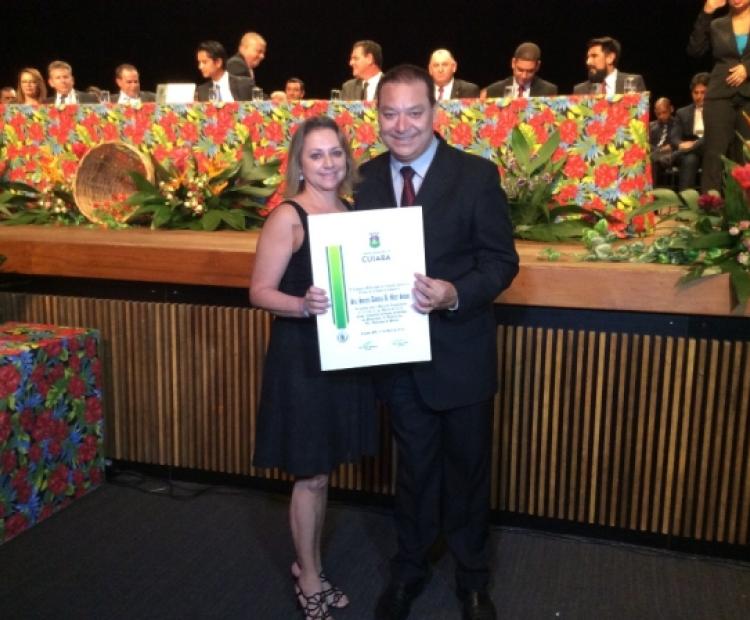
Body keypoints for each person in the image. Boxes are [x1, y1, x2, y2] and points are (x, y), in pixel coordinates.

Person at [355, 65, 519, 620]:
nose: (401, 125)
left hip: (461, 353)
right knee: (413, 471)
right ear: (377, 116)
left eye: (414, 112)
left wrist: (455, 293)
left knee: (468, 472)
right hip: (395, 356)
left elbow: (501, 262)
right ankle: (409, 568)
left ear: (434, 112)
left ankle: (473, 579)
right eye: (390, 113)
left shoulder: (476, 176)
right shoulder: (365, 179)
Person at [250, 116, 377, 620]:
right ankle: (308, 576)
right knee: (312, 475)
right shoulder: (288, 216)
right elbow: (259, 292)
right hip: (302, 358)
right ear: (299, 164)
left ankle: (310, 565)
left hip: (343, 355)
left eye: (335, 153)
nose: (328, 163)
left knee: (323, 473)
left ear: (347, 159)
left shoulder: (350, 211)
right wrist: (302, 305)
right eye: (316, 154)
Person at [688, 0, 750, 193]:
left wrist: (747, 68)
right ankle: (710, 206)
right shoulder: (717, 24)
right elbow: (695, 49)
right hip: (719, 95)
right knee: (714, 156)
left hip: (748, 96)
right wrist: (707, 12)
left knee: (746, 157)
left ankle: (743, 209)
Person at [572, 36, 646, 95]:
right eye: (588, 57)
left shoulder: (633, 82)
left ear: (610, 58)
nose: (588, 62)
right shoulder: (580, 90)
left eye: (594, 56)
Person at [483, 42, 558, 98]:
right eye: (520, 70)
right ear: (513, 63)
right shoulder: (494, 90)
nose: (524, 76)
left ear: (538, 66)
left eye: (530, 71)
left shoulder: (548, 91)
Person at [674, 72, 710, 190]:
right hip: (690, 153)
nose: (699, 96)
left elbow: (713, 136)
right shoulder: (682, 112)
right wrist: (680, 144)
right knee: (690, 159)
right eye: (696, 92)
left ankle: (672, 157)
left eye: (703, 92)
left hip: (710, 149)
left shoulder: (716, 112)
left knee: (706, 149)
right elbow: (674, 138)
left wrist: (693, 145)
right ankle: (686, 199)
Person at [649, 97, 682, 187]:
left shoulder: (678, 124)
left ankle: (653, 190)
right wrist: (656, 150)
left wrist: (661, 150)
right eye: (658, 114)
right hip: (654, 155)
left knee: (653, 159)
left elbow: (677, 143)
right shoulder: (651, 126)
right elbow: (647, 144)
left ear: (671, 109)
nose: (661, 116)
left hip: (671, 155)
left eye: (664, 112)